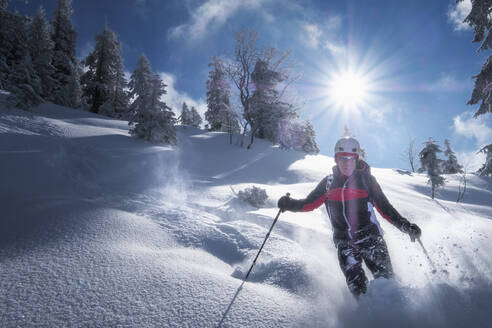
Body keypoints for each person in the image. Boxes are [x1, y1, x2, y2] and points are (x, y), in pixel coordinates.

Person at [277, 136, 421, 298]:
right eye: (342, 158)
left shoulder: (367, 180)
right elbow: (309, 203)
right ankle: (370, 315)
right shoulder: (329, 183)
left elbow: (385, 207)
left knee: (387, 283)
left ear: (356, 159)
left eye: (350, 158)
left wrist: (406, 226)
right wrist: (289, 204)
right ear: (336, 160)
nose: (346, 163)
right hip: (345, 243)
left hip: (371, 238)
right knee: (358, 289)